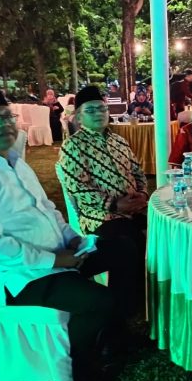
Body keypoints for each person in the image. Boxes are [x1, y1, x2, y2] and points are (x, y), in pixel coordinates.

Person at [0, 86, 136, 381]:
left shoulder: (15, 162)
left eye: (6, 116)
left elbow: (48, 210)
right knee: (98, 301)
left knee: (126, 251)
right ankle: (81, 369)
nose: (3, 124)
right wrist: (56, 260)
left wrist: (73, 239)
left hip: (59, 255)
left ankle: (112, 335)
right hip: (22, 276)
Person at [58, 86, 147, 282]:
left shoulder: (119, 141)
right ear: (79, 117)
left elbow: (138, 172)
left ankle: (155, 291)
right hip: (100, 217)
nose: (98, 113)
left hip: (135, 209)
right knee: (129, 243)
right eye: (90, 110)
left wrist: (142, 194)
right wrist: (114, 204)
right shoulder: (73, 146)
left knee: (164, 232)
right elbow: (78, 188)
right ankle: (126, 298)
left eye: (101, 108)